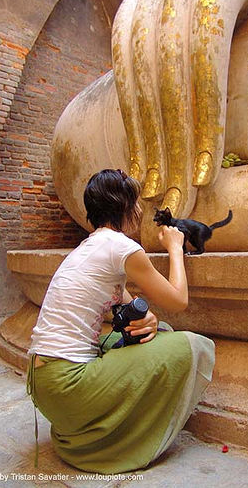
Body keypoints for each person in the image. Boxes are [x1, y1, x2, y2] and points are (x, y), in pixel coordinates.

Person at [26, 168, 215, 474]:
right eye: (137, 201)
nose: (141, 209)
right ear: (125, 206)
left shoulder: (89, 248)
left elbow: (144, 313)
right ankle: (129, 438)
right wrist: (175, 248)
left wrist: (151, 322)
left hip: (43, 386)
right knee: (190, 345)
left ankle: (85, 427)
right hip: (67, 385)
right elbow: (179, 301)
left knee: (161, 333)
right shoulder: (122, 247)